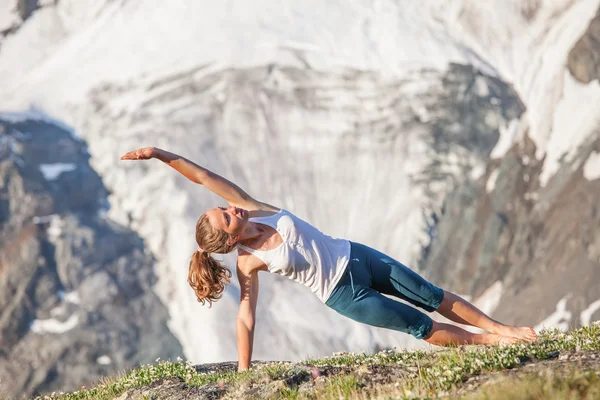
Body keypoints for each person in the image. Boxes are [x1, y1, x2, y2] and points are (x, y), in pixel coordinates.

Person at [121, 147, 537, 371]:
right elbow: (245, 316)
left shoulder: (254, 206)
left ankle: (503, 328)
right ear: (227, 242)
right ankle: (489, 343)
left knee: (429, 293)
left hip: (357, 256)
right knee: (419, 326)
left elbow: (202, 175)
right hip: (344, 295)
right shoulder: (247, 262)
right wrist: (245, 377)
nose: (231, 210)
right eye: (226, 216)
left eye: (225, 207)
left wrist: (159, 154)